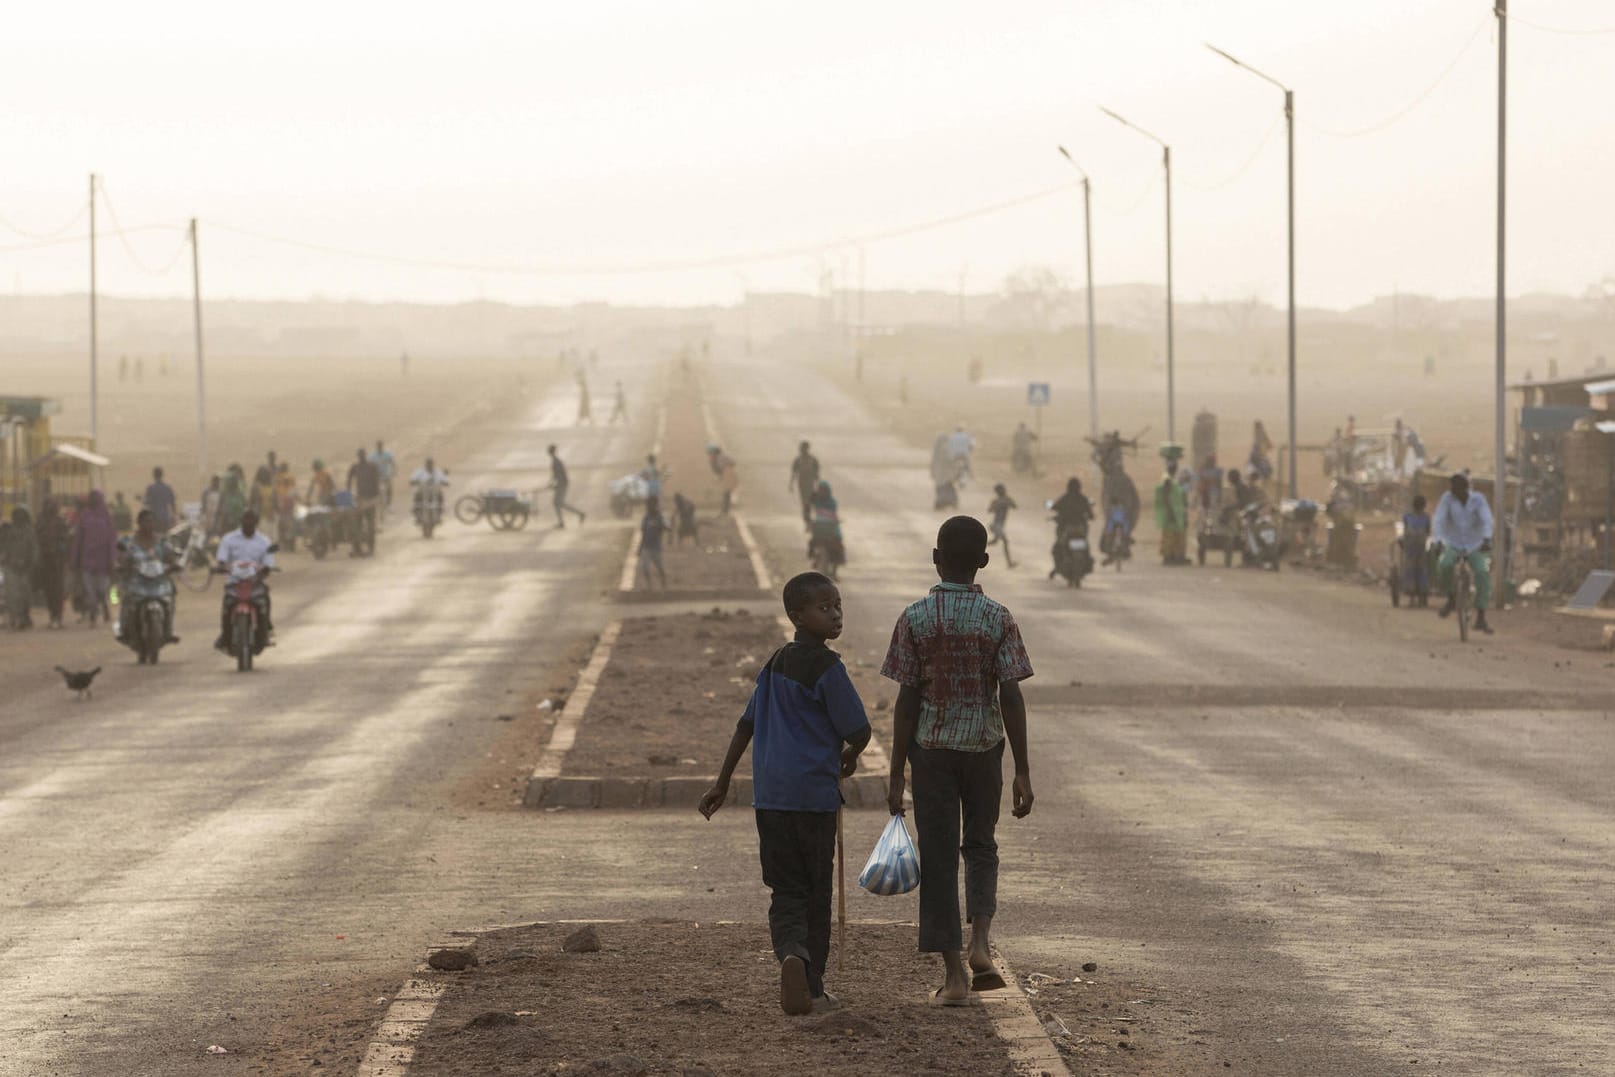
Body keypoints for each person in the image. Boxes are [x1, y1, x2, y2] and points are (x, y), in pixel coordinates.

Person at [698, 571, 871, 1016]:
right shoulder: (827, 667)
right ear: (796, 615)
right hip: (814, 799)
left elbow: (746, 724)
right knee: (816, 892)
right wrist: (849, 756)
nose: (834, 614)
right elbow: (859, 729)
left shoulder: (775, 663)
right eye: (824, 607)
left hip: (771, 800)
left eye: (837, 605)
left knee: (785, 890)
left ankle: (791, 952)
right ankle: (812, 987)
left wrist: (721, 782)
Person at [881, 517, 1034, 1006]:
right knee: (982, 845)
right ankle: (981, 943)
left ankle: (953, 978)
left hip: (932, 752)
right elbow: (1010, 695)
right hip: (985, 749)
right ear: (984, 562)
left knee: (941, 858)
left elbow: (907, 700)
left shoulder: (916, 617)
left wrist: (895, 770)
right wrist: (1023, 770)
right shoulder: (998, 617)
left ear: (935, 557)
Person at [1434, 473, 1494, 634]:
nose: (1455, 492)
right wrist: (1438, 540)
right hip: (1453, 543)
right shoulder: (1447, 499)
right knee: (1444, 565)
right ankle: (1451, 597)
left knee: (1482, 573)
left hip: (1475, 544)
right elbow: (1439, 519)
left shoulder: (1478, 500)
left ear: (1466, 488)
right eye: (1453, 489)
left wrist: (1487, 539)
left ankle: (1481, 615)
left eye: (1458, 489)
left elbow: (1487, 519)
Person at [214, 508, 276, 650]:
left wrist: (267, 568)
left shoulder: (264, 541)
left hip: (255, 583)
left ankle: (265, 630)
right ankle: (225, 636)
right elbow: (221, 559)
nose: (248, 523)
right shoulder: (228, 539)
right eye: (245, 519)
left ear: (257, 522)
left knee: (264, 601)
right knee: (227, 606)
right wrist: (221, 566)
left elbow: (268, 561)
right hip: (234, 583)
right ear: (241, 521)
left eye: (251, 520)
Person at [117, 509, 177, 644]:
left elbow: (170, 556)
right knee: (126, 600)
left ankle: (169, 629)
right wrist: (123, 565)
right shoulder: (130, 543)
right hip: (137, 581)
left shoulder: (161, 542)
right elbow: (123, 557)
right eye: (146, 521)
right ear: (139, 523)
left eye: (151, 521)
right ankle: (123, 628)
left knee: (171, 596)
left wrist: (174, 564)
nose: (149, 524)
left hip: (158, 581)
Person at [70, 491, 117, 627]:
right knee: (90, 591)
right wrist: (75, 559)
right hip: (87, 561)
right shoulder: (84, 516)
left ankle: (104, 605)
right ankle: (93, 615)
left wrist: (112, 559)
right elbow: (78, 539)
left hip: (103, 562)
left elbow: (112, 540)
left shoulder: (107, 516)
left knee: (102, 589)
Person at [34, 498, 69, 629]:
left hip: (57, 562)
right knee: (49, 591)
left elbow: (65, 540)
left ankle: (57, 617)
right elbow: (36, 539)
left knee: (58, 591)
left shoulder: (60, 522)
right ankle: (53, 616)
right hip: (45, 561)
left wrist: (59, 551)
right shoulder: (40, 522)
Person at [1048, 478, 1092, 578]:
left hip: (1067, 529)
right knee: (1085, 546)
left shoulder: (1065, 498)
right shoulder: (1083, 499)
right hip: (1080, 529)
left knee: (1058, 547)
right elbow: (1091, 514)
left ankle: (1057, 567)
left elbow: (1054, 507)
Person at [3, 506, 38, 629]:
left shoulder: (29, 532)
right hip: (12, 567)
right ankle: (14, 617)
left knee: (25, 595)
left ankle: (24, 617)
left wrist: (31, 563)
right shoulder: (8, 532)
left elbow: (34, 550)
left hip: (25, 568)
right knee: (13, 595)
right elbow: (4, 549)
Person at [346, 447, 382, 556]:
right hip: (361, 498)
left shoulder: (370, 466)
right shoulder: (357, 467)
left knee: (369, 523)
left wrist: (376, 495)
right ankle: (358, 548)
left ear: (364, 455)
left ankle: (369, 547)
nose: (361, 457)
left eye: (362, 455)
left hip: (369, 498)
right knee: (357, 523)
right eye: (360, 456)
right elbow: (349, 478)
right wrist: (348, 493)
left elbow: (377, 480)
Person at [806, 481, 845, 578]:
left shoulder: (832, 502)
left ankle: (834, 572)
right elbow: (808, 505)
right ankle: (814, 558)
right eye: (820, 490)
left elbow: (832, 515)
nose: (822, 492)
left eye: (824, 490)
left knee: (838, 546)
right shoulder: (815, 499)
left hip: (831, 527)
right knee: (812, 542)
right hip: (819, 527)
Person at [1401, 494, 1433, 607]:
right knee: (1420, 570)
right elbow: (1428, 531)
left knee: (1412, 570)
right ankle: (1420, 597)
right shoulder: (1425, 517)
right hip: (1417, 547)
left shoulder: (1408, 516)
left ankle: (1414, 597)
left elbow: (1405, 530)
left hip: (1413, 547)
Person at [1155, 462, 1189, 565]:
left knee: (1177, 535)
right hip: (1170, 512)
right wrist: (1170, 512)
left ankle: (1176, 557)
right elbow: (1166, 496)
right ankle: (1168, 557)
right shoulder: (1167, 479)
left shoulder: (1171, 479)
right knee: (1169, 536)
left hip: (1175, 512)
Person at [546, 444, 587, 529]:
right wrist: (552, 484)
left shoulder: (556, 461)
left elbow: (557, 475)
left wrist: (552, 484)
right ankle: (564, 520)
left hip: (562, 484)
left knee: (559, 503)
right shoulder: (556, 461)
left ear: (550, 452)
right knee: (558, 503)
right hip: (561, 484)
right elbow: (557, 474)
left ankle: (577, 515)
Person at [637, 496, 670, 589]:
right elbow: (643, 533)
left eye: (651, 505)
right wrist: (640, 548)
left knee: (660, 568)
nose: (649, 507)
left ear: (655, 505)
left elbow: (667, 527)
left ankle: (664, 585)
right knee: (645, 568)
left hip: (656, 547)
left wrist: (662, 525)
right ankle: (649, 586)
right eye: (648, 505)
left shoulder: (659, 517)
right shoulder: (646, 518)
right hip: (646, 547)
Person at [788, 441, 821, 526]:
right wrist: (791, 484)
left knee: (809, 500)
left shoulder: (813, 460)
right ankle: (807, 518)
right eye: (801, 448)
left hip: (810, 483)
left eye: (803, 448)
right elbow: (794, 472)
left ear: (807, 449)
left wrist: (819, 483)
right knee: (804, 501)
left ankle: (808, 517)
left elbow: (817, 473)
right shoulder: (798, 460)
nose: (802, 450)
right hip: (802, 483)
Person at [986, 484, 1017, 568]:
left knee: (994, 542)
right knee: (1005, 542)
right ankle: (1009, 563)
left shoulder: (1004, 500)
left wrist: (1004, 503)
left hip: (999, 525)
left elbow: (1014, 506)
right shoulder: (998, 501)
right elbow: (989, 510)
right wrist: (999, 504)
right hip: (996, 525)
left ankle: (977, 547)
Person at [274, 463, 299, 552]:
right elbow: (294, 491)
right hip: (290, 503)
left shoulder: (279, 478)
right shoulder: (291, 478)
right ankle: (291, 545)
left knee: (282, 525)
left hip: (283, 503)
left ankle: (284, 544)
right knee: (291, 523)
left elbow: (277, 492)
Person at [143, 467, 177, 532]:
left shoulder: (150, 488)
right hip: (165, 518)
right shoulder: (167, 488)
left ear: (153, 475)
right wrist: (174, 516)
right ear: (162, 475)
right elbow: (173, 504)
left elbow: (146, 502)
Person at [707, 445, 739, 514]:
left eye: (711, 453)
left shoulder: (717, 458)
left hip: (728, 474)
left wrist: (721, 477)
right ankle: (725, 509)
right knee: (726, 492)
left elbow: (717, 469)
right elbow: (733, 462)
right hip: (730, 474)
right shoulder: (722, 457)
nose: (710, 455)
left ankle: (725, 510)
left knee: (726, 492)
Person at [218, 465, 247, 534]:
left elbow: (244, 505)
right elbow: (220, 509)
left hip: (238, 522)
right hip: (227, 522)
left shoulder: (240, 494)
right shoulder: (224, 494)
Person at [370, 440, 396, 511]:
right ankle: (375, 505)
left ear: (382, 446)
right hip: (376, 476)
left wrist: (394, 471)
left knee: (389, 489)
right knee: (374, 490)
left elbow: (392, 462)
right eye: (378, 446)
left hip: (386, 475)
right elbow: (370, 465)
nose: (379, 447)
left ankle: (389, 505)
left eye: (380, 446)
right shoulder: (372, 456)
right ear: (376, 447)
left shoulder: (387, 454)